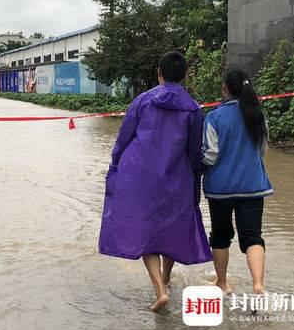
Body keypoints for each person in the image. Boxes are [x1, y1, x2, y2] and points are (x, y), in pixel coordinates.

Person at [98, 51, 212, 312]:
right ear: (185, 75)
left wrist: (115, 166)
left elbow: (123, 139)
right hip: (177, 177)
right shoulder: (193, 109)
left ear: (159, 73)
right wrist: (195, 180)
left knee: (146, 233)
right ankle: (167, 279)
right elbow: (195, 150)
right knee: (172, 228)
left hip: (139, 177)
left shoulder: (142, 101)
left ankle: (160, 290)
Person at [202, 68, 272, 295]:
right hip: (252, 187)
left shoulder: (213, 117)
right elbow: (262, 150)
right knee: (253, 236)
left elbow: (210, 155)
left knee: (221, 236)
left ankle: (222, 284)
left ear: (224, 89)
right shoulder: (258, 115)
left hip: (220, 189)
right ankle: (258, 285)